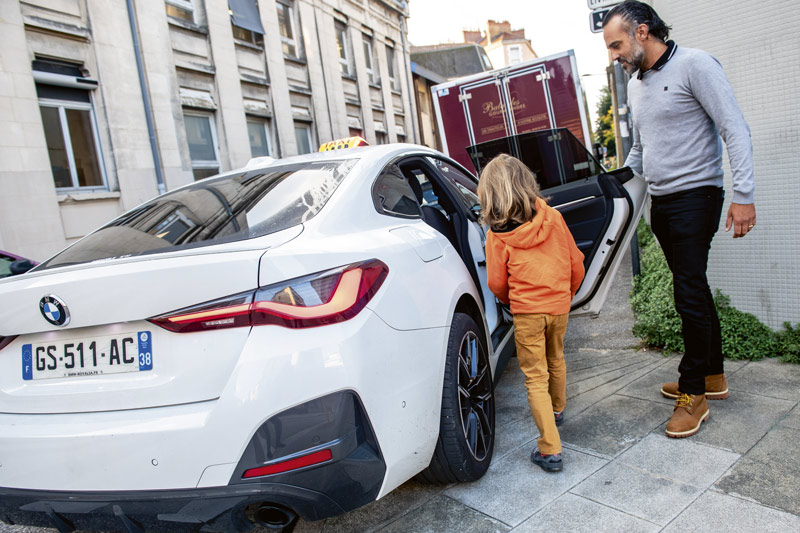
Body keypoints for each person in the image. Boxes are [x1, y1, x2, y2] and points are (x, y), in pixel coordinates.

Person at [602, 1, 756, 438]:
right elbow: (641, 149)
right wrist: (616, 183)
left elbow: (734, 128)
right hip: (663, 202)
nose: (613, 54)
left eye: (616, 44)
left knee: (687, 291)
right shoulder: (636, 83)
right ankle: (713, 376)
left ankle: (694, 394)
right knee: (693, 286)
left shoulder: (695, 65)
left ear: (643, 31)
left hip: (697, 196)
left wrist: (743, 195)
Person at [478, 154, 585, 472]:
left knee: (535, 377)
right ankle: (557, 409)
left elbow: (497, 283)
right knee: (557, 356)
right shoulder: (553, 217)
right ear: (526, 183)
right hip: (558, 306)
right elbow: (575, 262)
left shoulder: (497, 237)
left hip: (527, 313)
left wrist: (512, 301)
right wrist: (568, 293)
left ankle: (550, 450)